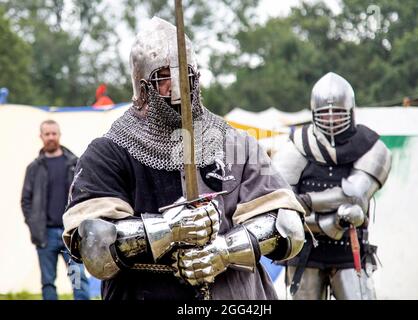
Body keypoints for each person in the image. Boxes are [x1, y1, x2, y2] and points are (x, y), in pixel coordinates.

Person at [61, 17, 306, 300]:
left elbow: (286, 224)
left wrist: (223, 252)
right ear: (142, 87)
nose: (177, 87)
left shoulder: (235, 142)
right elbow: (95, 244)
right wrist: (169, 228)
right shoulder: (108, 151)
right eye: (164, 77)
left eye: (184, 75)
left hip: (235, 294)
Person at [272, 72, 392, 300]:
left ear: (349, 111)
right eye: (324, 114)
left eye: (337, 113)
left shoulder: (370, 146)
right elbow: (282, 203)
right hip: (306, 251)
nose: (330, 120)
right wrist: (328, 221)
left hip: (349, 249)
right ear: (314, 114)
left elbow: (355, 196)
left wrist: (306, 202)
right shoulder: (297, 144)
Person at [21, 119, 90, 300]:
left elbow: (85, 194)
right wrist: (34, 225)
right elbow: (25, 201)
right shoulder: (34, 168)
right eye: (47, 134)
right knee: (48, 281)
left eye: (54, 133)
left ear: (59, 135)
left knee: (77, 279)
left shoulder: (75, 163)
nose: (51, 137)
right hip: (46, 235)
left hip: (71, 234)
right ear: (41, 136)